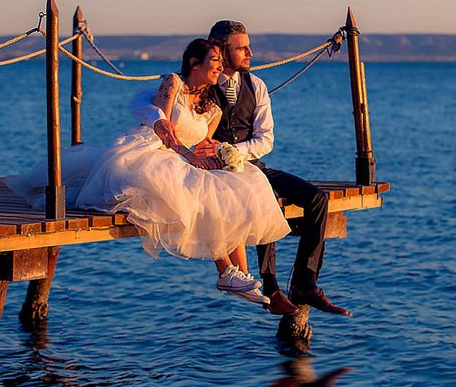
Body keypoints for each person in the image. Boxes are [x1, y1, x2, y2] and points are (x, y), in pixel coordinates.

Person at [10, 39, 291, 306]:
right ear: (195, 62)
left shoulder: (213, 109)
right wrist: (190, 157)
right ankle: (225, 272)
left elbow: (204, 144)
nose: (220, 66)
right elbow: (164, 130)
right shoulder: (173, 83)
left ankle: (239, 274)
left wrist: (219, 157)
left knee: (236, 186)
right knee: (203, 194)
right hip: (153, 153)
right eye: (215, 60)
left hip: (184, 158)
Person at [136, 22, 350, 317]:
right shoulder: (200, 84)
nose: (250, 52)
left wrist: (234, 153)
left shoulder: (257, 86)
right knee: (259, 196)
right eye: (242, 47)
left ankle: (306, 282)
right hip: (212, 171)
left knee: (316, 198)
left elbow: (266, 139)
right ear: (220, 49)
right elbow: (157, 105)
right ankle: (271, 287)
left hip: (249, 162)